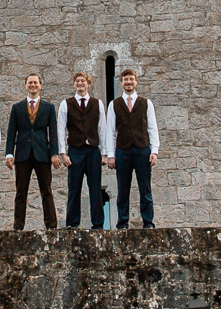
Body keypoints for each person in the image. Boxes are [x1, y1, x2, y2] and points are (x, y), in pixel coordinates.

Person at [102, 68, 160, 228]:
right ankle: (122, 223)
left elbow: (152, 128)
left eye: (131, 79)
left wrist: (154, 151)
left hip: (142, 150)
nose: (128, 82)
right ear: (121, 83)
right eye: (125, 79)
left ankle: (148, 222)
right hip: (123, 151)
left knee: (145, 189)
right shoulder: (114, 104)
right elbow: (110, 132)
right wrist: (110, 155)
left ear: (136, 82)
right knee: (122, 190)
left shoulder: (146, 103)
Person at [4, 72, 62, 230]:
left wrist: (54, 153)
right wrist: (9, 153)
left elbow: (53, 132)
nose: (33, 85)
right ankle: (18, 226)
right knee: (21, 192)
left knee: (46, 191)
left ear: (40, 85)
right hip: (22, 154)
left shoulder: (48, 107)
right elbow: (11, 132)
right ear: (25, 86)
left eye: (35, 83)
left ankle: (51, 226)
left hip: (42, 153)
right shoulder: (17, 108)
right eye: (30, 83)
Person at [59, 70, 106, 229]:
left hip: (93, 150)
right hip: (75, 150)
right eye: (77, 81)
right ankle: (72, 224)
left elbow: (102, 129)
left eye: (83, 81)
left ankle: (98, 224)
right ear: (74, 84)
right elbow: (60, 129)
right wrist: (63, 153)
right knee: (74, 188)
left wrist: (104, 153)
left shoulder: (97, 103)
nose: (80, 84)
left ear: (88, 84)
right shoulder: (66, 104)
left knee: (95, 189)